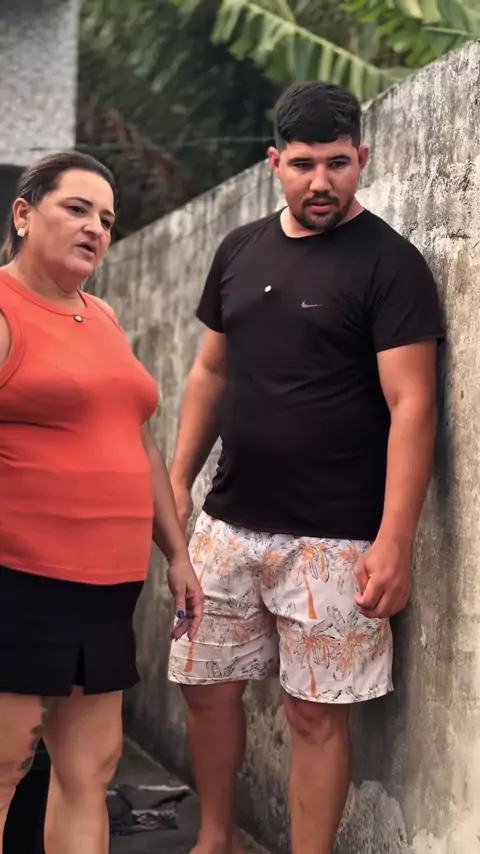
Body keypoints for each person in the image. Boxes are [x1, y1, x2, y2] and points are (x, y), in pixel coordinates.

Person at [168, 82, 443, 854]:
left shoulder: (391, 265)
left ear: (363, 158)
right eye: (302, 165)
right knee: (204, 687)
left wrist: (395, 539)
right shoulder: (238, 251)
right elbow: (210, 372)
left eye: (337, 163)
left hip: (336, 542)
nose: (320, 182)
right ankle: (214, 841)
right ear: (273, 163)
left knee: (315, 715)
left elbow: (414, 405)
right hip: (226, 527)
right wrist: (179, 481)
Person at [0, 150, 203, 854]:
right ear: (24, 215)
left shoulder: (104, 316)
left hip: (107, 587)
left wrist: (177, 554)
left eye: (107, 220)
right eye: (77, 209)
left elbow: (137, 439)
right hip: (18, 580)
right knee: (5, 762)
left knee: (91, 768)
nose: (95, 228)